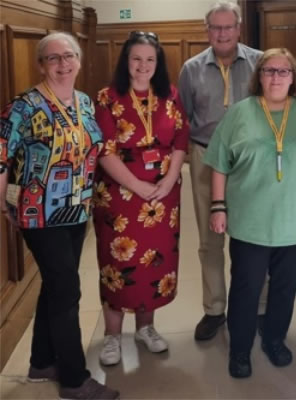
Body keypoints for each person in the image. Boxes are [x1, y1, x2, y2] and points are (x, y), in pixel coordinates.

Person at [204, 48, 296, 378]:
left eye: (283, 71)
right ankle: (239, 350)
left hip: (294, 223)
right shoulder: (239, 113)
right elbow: (220, 165)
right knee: (246, 288)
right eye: (269, 71)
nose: (276, 77)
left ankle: (275, 339)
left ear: (294, 77)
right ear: (258, 76)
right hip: (250, 222)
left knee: (285, 286)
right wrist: (218, 206)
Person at [0, 32, 119, 400]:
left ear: (79, 61)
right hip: (40, 215)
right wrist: (3, 202)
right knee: (68, 290)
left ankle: (40, 362)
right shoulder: (23, 106)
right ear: (41, 64)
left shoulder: (83, 102)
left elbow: (98, 149)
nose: (63, 64)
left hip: (76, 208)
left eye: (69, 56)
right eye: (53, 58)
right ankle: (73, 379)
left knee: (55, 285)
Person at [93, 31, 189, 366]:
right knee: (118, 264)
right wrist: (136, 184)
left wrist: (171, 178)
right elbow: (103, 149)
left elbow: (180, 140)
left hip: (163, 196)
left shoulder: (170, 95)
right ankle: (112, 337)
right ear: (126, 61)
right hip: (120, 197)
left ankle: (146, 329)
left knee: (154, 262)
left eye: (150, 59)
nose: (143, 66)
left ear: (158, 63)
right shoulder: (107, 97)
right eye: (136, 58)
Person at [178, 0, 264, 341]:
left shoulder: (260, 62)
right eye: (216, 27)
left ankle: (258, 307)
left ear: (239, 29)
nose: (223, 33)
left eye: (229, 27)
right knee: (209, 241)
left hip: (251, 162)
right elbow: (182, 117)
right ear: (207, 30)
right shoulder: (191, 68)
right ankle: (214, 310)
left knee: (255, 238)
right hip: (205, 158)